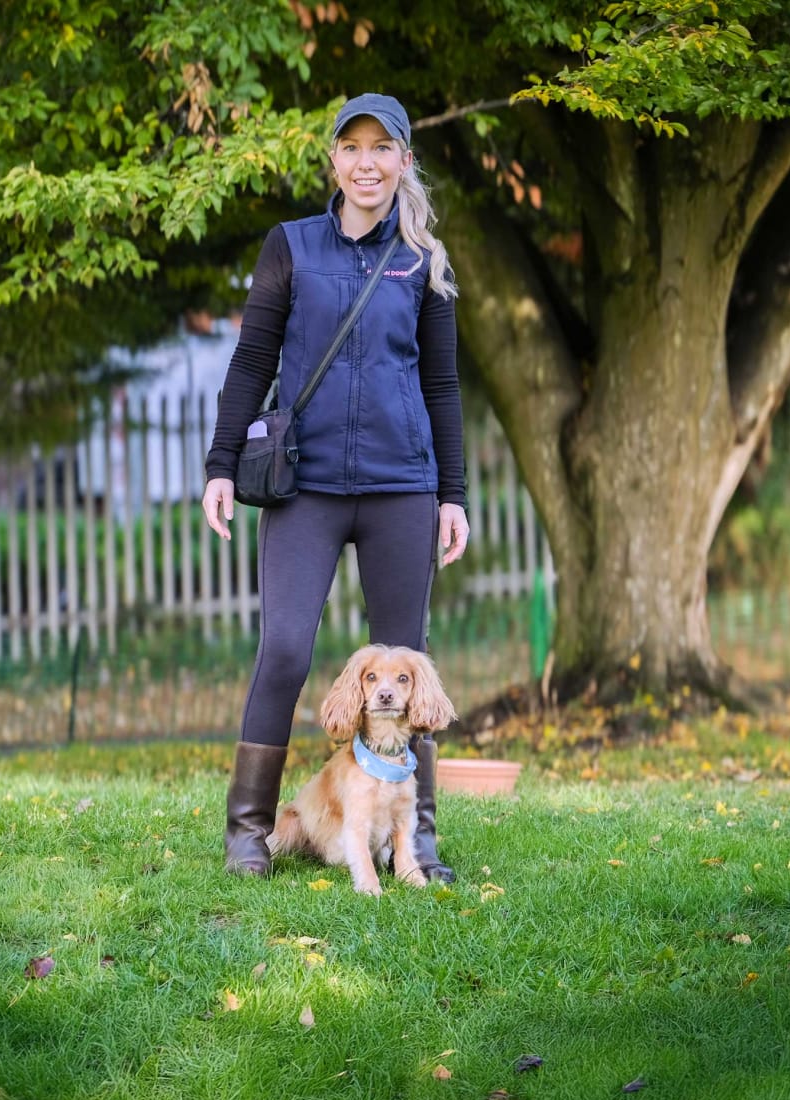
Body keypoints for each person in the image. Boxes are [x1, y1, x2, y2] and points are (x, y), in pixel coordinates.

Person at [201, 93, 470, 883]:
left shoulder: (425, 261)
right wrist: (222, 466)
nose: (365, 163)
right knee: (284, 647)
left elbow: (444, 385)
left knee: (407, 668)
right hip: (305, 487)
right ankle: (249, 829)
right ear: (333, 161)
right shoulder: (290, 248)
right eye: (351, 147)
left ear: (403, 162)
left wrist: (451, 494)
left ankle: (414, 840)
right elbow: (251, 364)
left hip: (400, 487)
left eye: (381, 149)